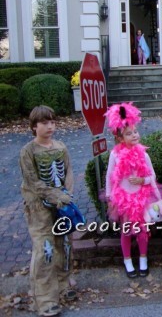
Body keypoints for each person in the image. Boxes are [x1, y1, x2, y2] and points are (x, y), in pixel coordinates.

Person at [19, 105, 76, 316]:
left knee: (64, 245)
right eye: (44, 123)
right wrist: (56, 196)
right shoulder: (28, 152)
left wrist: (67, 195)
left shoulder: (61, 147)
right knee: (45, 250)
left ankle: (63, 284)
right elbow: (33, 181)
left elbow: (69, 171)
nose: (50, 126)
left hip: (61, 207)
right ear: (34, 126)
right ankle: (44, 299)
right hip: (39, 208)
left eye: (52, 122)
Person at [105, 102, 162, 279]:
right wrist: (110, 197)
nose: (134, 135)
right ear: (119, 137)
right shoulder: (115, 155)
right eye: (129, 133)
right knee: (125, 232)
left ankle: (143, 259)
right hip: (123, 200)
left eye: (135, 132)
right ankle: (127, 261)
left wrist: (142, 180)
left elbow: (152, 177)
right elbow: (110, 176)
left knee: (142, 232)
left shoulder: (144, 154)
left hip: (141, 199)